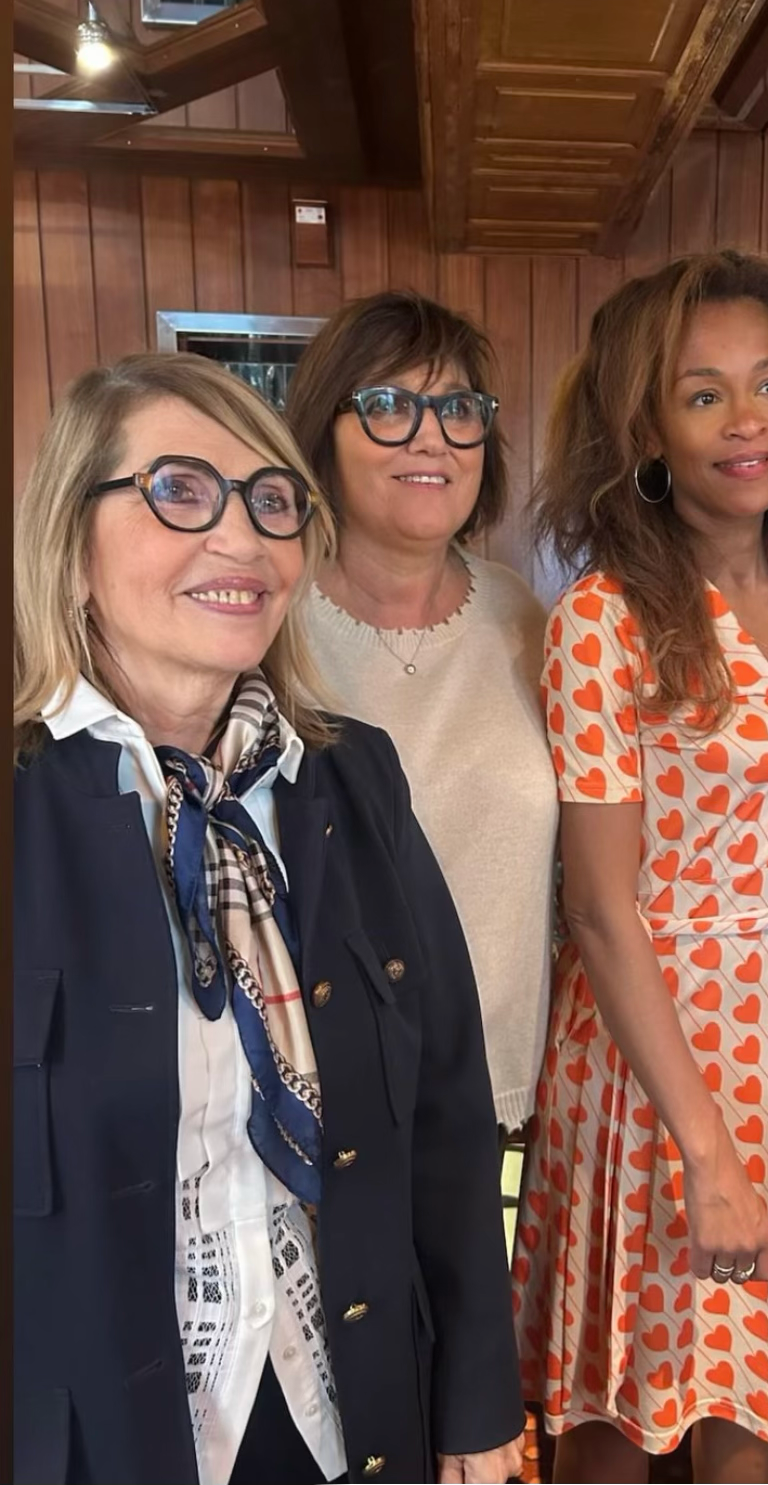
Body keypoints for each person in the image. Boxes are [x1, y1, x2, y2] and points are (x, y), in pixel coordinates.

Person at [13, 352, 525, 1485]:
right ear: (72, 540)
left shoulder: (350, 781)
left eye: (273, 501)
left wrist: (479, 1402)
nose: (241, 538)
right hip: (92, 1437)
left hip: (343, 1411)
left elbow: (444, 1106)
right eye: (180, 491)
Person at [511, 250, 768, 1484]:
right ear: (647, 428)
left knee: (751, 1413)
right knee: (624, 1410)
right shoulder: (605, 617)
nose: (748, 420)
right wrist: (705, 1151)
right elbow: (600, 910)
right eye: (703, 394)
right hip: (654, 1056)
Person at [285, 291, 558, 1142]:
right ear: (322, 432)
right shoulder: (273, 625)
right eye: (388, 404)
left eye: (457, 408)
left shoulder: (523, 616)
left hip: (501, 1091)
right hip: (318, 1101)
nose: (431, 436)